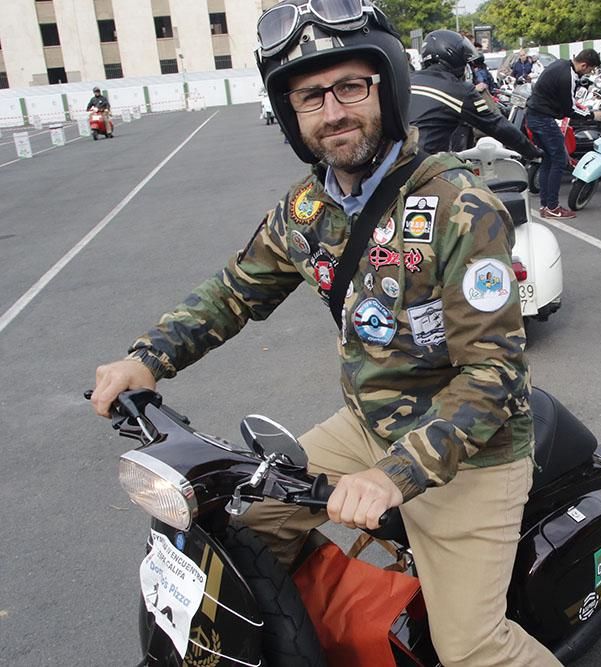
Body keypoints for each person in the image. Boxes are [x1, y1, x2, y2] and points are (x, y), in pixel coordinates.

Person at [90, 2, 559, 665]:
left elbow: (494, 375)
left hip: (470, 453)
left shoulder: (459, 206)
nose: (333, 111)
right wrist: (148, 358)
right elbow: (234, 290)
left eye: (350, 87)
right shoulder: (306, 209)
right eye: (311, 96)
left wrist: (393, 476)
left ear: (386, 88)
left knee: (472, 646)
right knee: (245, 529)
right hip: (366, 425)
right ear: (292, 115)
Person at [410, 30, 540, 158]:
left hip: (396, 163)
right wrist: (531, 151)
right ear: (453, 57)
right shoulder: (459, 90)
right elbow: (496, 125)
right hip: (423, 166)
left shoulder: (408, 81)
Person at [525, 48, 601, 219]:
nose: (588, 73)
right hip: (543, 120)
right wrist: (592, 115)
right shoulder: (568, 76)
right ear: (584, 65)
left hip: (533, 116)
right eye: (589, 70)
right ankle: (552, 206)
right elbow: (570, 109)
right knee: (559, 160)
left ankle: (545, 205)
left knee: (547, 160)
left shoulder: (559, 64)